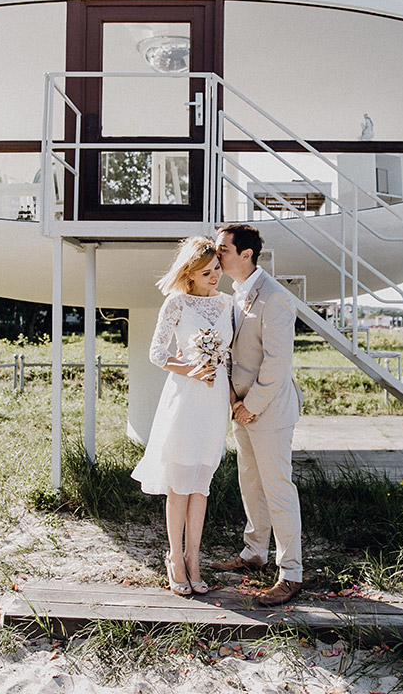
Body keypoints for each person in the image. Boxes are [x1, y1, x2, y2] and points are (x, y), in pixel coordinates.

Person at [132, 236, 234, 596]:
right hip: (184, 397)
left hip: (215, 398)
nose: (215, 276)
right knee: (180, 485)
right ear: (189, 274)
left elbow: (232, 356)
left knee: (201, 485)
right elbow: (157, 353)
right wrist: (190, 369)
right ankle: (175, 558)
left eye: (217, 269)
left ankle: (195, 559)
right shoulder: (176, 303)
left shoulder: (228, 304)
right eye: (206, 272)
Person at [210, 223, 304, 606]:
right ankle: (254, 553)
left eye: (223, 249)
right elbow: (232, 356)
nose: (217, 255)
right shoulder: (233, 295)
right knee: (250, 482)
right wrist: (234, 401)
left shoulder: (276, 298)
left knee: (278, 488)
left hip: (270, 409)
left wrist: (251, 406)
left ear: (246, 255)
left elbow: (276, 363)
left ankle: (292, 572)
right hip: (241, 408)